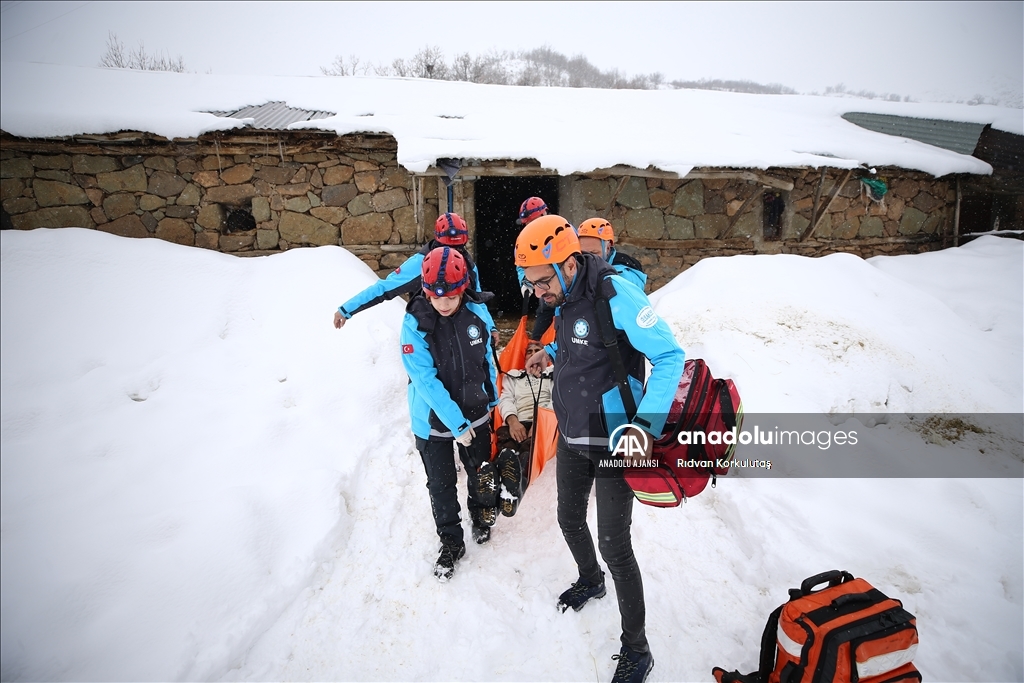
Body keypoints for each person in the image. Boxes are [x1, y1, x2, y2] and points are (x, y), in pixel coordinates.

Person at [515, 215, 685, 683]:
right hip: (573, 431)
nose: (538, 293)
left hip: (615, 441)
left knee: (616, 545)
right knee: (568, 518)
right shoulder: (564, 295)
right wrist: (548, 354)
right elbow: (581, 345)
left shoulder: (617, 292)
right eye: (531, 284)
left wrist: (644, 429)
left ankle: (638, 649)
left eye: (543, 281)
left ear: (569, 264)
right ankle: (590, 580)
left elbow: (670, 355)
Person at [400, 246, 501, 581]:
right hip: (433, 422)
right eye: (435, 297)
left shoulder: (476, 311)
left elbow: (486, 355)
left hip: (475, 412)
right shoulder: (415, 323)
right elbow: (424, 379)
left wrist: (492, 399)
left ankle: (478, 513)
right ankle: (451, 540)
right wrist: (455, 422)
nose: (443, 305)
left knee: (477, 469)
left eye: (451, 297)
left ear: (462, 289)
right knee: (440, 484)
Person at [334, 212, 489, 335]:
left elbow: (478, 298)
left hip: (465, 334)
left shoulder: (468, 265)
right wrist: (347, 309)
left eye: (458, 247)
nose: (451, 254)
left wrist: (490, 327)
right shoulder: (420, 264)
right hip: (430, 334)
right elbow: (384, 288)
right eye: (446, 247)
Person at [494, 338, 552, 516]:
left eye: (538, 351)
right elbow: (506, 399)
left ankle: (510, 489)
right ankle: (496, 478)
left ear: (546, 357)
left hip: (543, 422)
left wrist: (539, 423)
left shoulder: (554, 374)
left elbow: (557, 401)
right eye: (529, 351)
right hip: (516, 421)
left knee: (528, 451)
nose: (534, 355)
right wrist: (512, 421)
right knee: (507, 447)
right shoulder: (513, 376)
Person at [576, 218, 647, 290]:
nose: (587, 258)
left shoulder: (623, 277)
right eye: (583, 253)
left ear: (608, 248)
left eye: (594, 253)